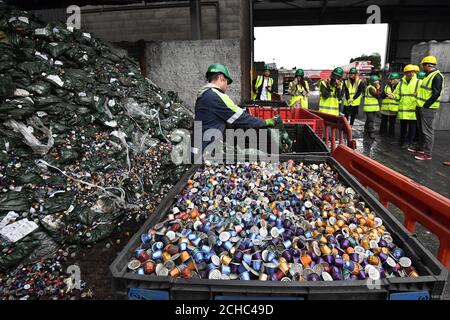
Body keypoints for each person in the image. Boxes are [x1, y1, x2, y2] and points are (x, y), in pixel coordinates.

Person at [192, 64, 277, 159]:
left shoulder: (204, 95)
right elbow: (240, 118)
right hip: (204, 151)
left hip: (197, 147)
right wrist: (264, 122)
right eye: (227, 82)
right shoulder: (217, 96)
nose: (227, 86)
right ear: (221, 78)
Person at [410, 56, 444, 161]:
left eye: (423, 65)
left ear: (428, 65)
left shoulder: (437, 76)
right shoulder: (428, 75)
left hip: (428, 108)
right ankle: (421, 148)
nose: (422, 67)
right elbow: (426, 91)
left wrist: (426, 105)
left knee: (428, 131)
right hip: (420, 106)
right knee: (421, 130)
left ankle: (428, 154)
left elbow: (436, 93)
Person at [390, 65, 420, 147]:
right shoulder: (401, 83)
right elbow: (397, 94)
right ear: (405, 73)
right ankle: (402, 141)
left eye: (412, 72)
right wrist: (393, 96)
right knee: (403, 128)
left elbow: (423, 95)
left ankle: (409, 142)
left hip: (413, 110)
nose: (410, 73)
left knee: (412, 128)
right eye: (408, 72)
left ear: (415, 72)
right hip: (403, 110)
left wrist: (418, 95)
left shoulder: (419, 82)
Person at [379, 72, 401, 137]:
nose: (390, 81)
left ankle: (391, 134)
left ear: (396, 80)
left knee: (392, 122)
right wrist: (384, 95)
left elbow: (400, 96)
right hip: (385, 107)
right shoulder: (386, 86)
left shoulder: (400, 86)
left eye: (391, 79)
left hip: (393, 108)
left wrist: (393, 96)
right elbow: (382, 94)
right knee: (383, 121)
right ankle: (383, 133)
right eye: (390, 79)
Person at [364, 75, 382, 139]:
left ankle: (366, 131)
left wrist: (378, 89)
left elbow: (379, 94)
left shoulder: (372, 87)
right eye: (376, 82)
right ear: (372, 82)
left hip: (372, 108)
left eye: (378, 82)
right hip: (369, 108)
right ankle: (371, 133)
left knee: (369, 120)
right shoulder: (371, 88)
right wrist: (378, 88)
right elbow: (376, 95)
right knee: (371, 120)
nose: (378, 83)